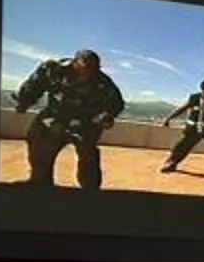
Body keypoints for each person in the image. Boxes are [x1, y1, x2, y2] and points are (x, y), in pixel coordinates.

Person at [15, 47, 125, 191]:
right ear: (75, 62)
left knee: (88, 155)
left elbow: (116, 103)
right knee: (37, 140)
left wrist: (107, 116)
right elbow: (34, 85)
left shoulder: (102, 81)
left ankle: (90, 190)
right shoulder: (52, 69)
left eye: (93, 69)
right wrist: (24, 102)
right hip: (55, 116)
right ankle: (40, 182)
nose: (88, 73)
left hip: (86, 121)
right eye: (85, 67)